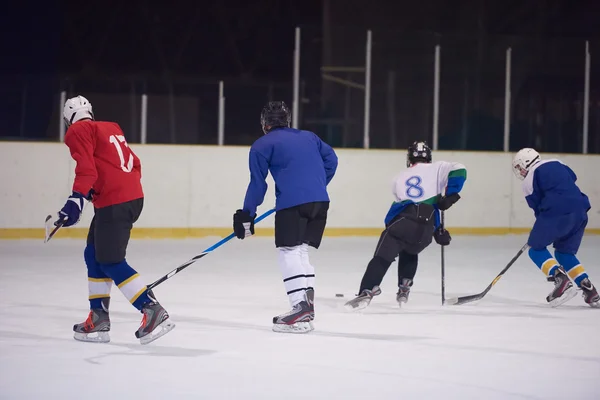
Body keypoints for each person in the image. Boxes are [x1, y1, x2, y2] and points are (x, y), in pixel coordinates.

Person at [53, 95, 175, 344]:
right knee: (93, 253)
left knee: (110, 259)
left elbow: (86, 168)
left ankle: (151, 309)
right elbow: (133, 164)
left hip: (114, 202)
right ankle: (98, 316)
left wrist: (76, 199)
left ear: (68, 119)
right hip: (128, 198)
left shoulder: (77, 130)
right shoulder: (111, 128)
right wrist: (97, 191)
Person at [233, 101, 338, 333]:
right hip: (320, 201)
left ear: (265, 123)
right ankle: (306, 307)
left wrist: (247, 214)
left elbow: (258, 184)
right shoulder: (310, 137)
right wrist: (315, 186)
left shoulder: (261, 145)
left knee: (288, 251)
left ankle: (299, 309)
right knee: (301, 250)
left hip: (293, 204)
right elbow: (332, 161)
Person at [345, 141, 467, 310]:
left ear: (409, 158)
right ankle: (404, 287)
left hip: (403, 222)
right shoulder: (439, 167)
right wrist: (450, 199)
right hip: (425, 229)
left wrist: (390, 226)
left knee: (382, 257)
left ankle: (366, 291)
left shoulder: (399, 177)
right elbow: (460, 169)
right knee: (411, 248)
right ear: (428, 158)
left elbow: (403, 205)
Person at [512, 148, 599, 307]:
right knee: (564, 253)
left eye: (519, 167)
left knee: (535, 249)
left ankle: (560, 279)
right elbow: (572, 177)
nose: (519, 171)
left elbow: (538, 208)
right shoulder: (557, 162)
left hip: (557, 211)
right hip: (580, 210)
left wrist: (539, 232)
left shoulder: (528, 180)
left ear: (526, 163)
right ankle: (588, 289)